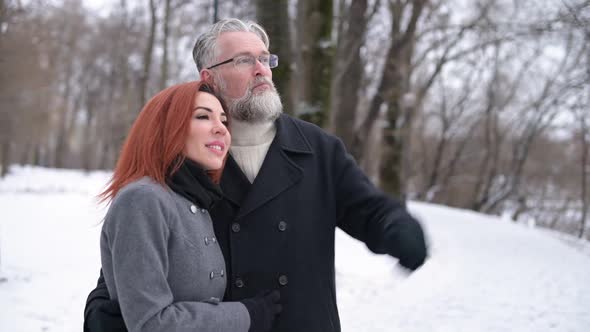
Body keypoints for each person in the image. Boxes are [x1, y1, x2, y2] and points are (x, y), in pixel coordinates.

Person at [84, 18, 428, 332]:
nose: (261, 70)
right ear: (209, 77)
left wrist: (396, 226)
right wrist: (101, 307)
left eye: (265, 59)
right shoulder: (189, 155)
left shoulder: (318, 148)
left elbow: (368, 209)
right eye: (244, 60)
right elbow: (136, 248)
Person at [91, 80, 282, 332]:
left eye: (224, 121)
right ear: (166, 128)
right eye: (203, 116)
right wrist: (246, 315)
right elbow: (152, 323)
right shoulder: (143, 199)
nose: (222, 129)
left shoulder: (195, 200)